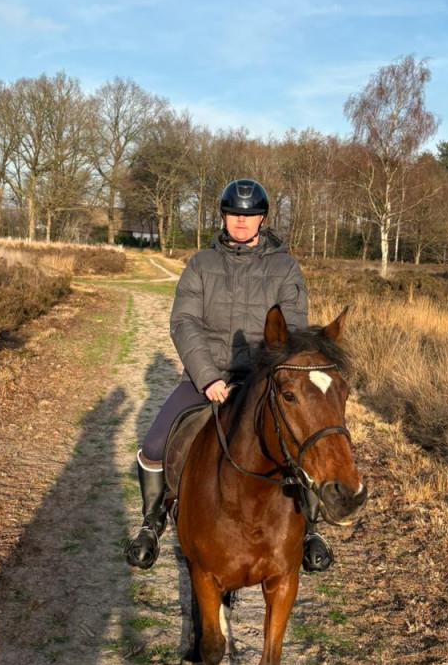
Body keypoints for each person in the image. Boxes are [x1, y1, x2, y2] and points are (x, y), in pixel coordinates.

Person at [125, 177, 332, 572]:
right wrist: (207, 377)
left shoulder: (286, 268)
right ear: (223, 217)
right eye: (234, 215)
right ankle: (152, 520)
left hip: (264, 382)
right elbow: (184, 322)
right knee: (154, 447)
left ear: (262, 219)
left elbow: (291, 331)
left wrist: (262, 379)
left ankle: (310, 530)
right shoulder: (201, 264)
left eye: (249, 215)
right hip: (208, 380)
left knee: (308, 440)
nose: (241, 222)